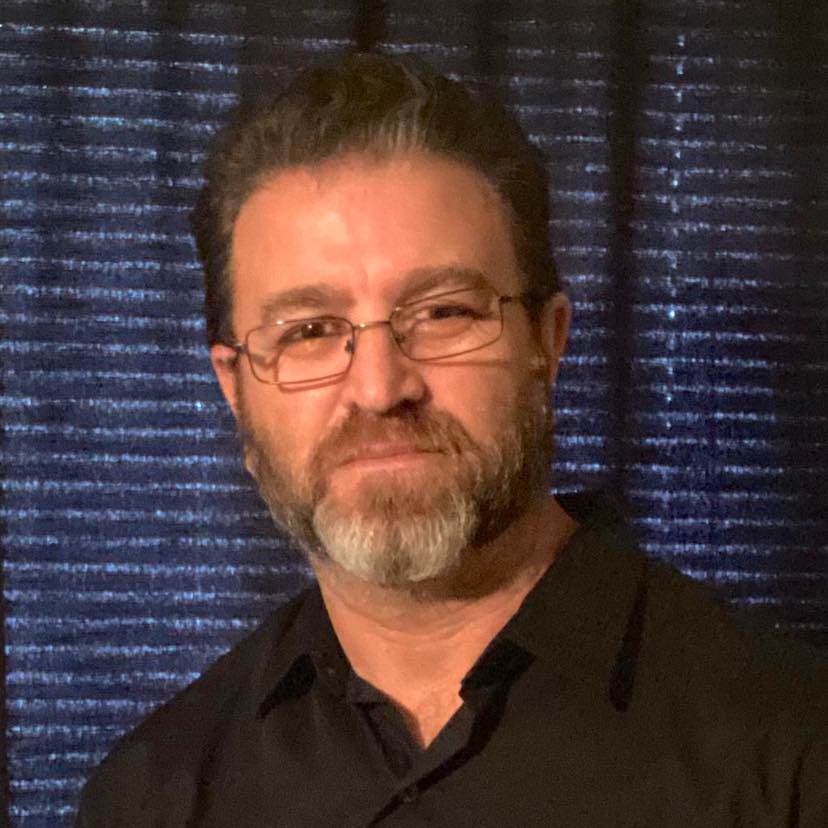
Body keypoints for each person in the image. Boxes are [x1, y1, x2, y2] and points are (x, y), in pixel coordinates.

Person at [76, 52, 827, 826]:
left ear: (548, 340)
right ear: (235, 387)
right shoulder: (148, 799)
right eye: (308, 331)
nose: (380, 389)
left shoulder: (793, 750)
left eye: (444, 313)